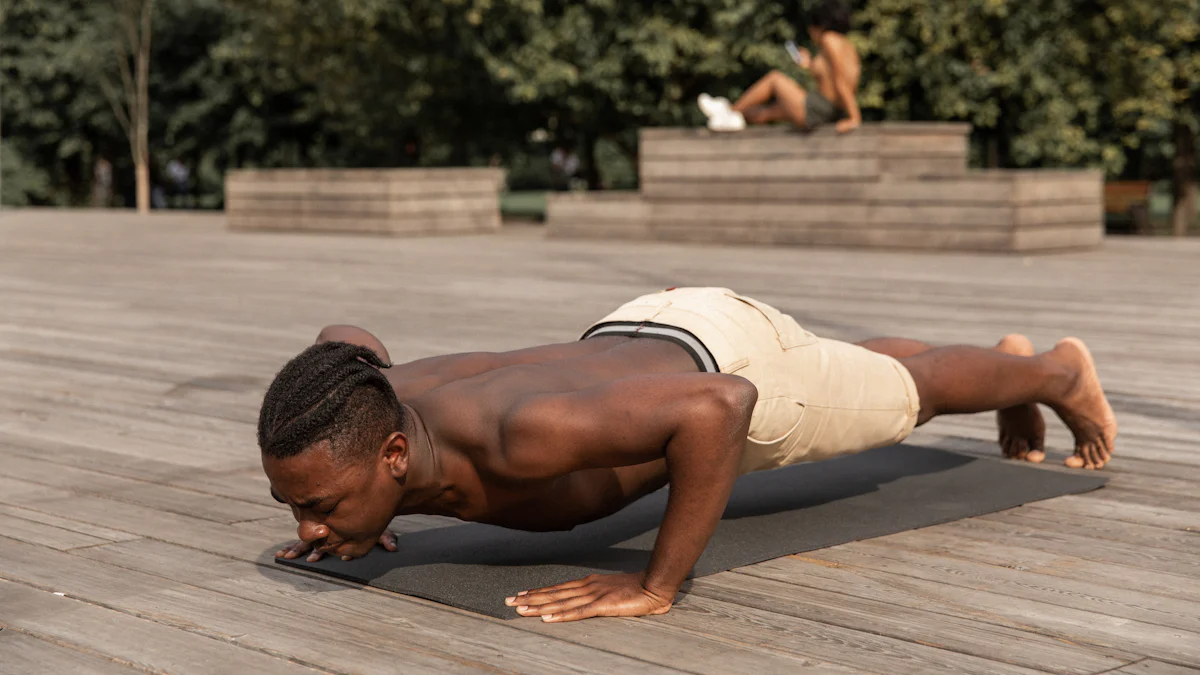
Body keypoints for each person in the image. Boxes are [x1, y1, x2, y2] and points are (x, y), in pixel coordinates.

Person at [259, 287, 1117, 623]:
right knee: (848, 364)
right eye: (298, 506)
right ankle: (1004, 368)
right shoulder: (369, 397)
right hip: (647, 327)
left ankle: (1056, 371)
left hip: (724, 365)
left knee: (902, 396)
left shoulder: (520, 433)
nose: (307, 527)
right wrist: (356, 514)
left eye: (320, 506)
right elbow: (345, 333)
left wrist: (655, 582)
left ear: (395, 452)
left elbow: (719, 408)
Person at [699, 0, 862, 133]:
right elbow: (834, 80)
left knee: (774, 79)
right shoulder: (847, 46)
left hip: (821, 108)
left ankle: (729, 111)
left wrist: (854, 118)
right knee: (766, 113)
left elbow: (842, 83)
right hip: (829, 109)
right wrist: (809, 65)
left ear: (819, 25)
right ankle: (730, 117)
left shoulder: (829, 39)